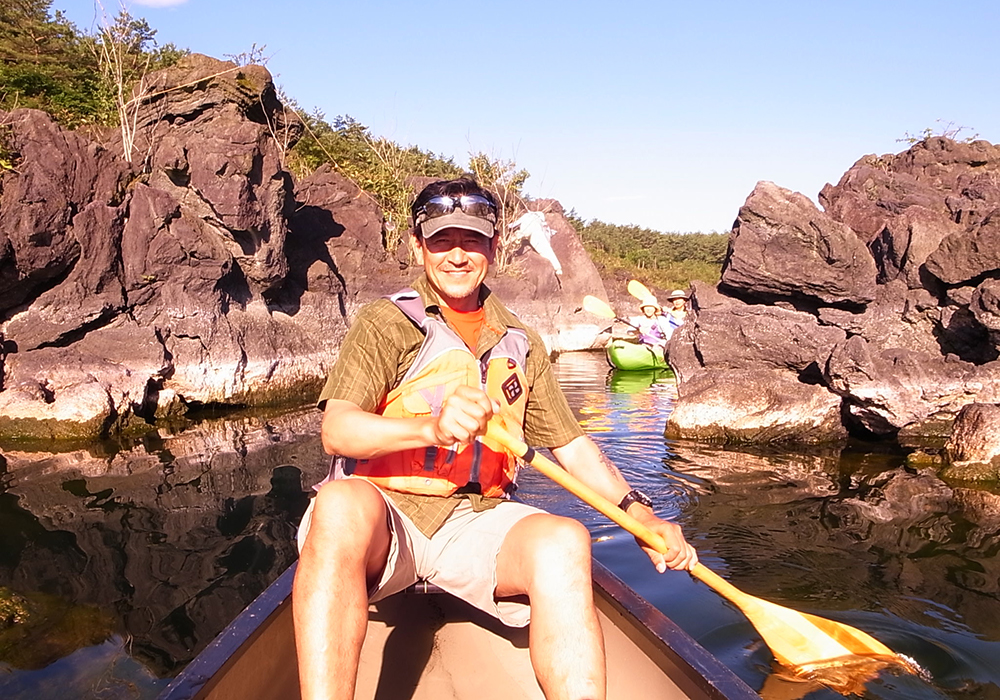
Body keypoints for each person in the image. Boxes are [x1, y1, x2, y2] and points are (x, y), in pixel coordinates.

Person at [292, 177, 698, 700]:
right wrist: (428, 428)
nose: (457, 255)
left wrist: (638, 512)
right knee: (339, 503)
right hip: (384, 519)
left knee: (565, 539)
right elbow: (337, 431)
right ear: (418, 247)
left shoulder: (522, 343)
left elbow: (573, 447)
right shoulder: (385, 323)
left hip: (477, 520)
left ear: (495, 247)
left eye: (473, 241)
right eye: (440, 241)